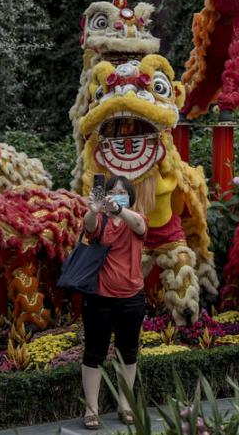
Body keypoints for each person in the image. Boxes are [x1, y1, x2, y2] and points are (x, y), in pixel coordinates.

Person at [80, 175, 147, 429]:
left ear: (130, 197)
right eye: (113, 190)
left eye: (123, 191)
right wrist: (93, 210)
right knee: (94, 353)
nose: (117, 193)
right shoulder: (101, 221)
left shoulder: (135, 219)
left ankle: (125, 405)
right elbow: (88, 229)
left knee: (128, 353)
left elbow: (139, 225)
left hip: (132, 298)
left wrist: (120, 209)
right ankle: (91, 409)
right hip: (99, 298)